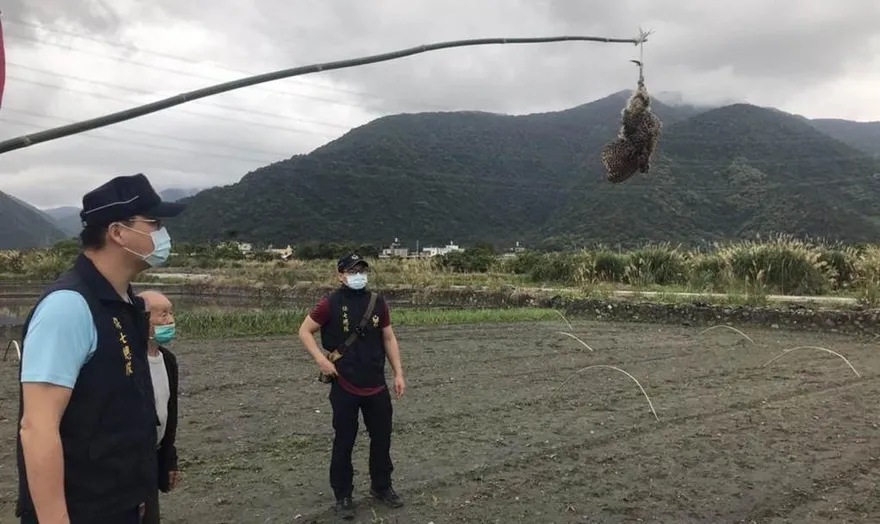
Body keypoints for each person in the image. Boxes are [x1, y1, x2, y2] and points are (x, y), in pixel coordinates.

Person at [15, 173, 186, 524]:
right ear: (118, 233)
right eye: (153, 223)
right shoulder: (69, 306)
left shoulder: (128, 304)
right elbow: (37, 426)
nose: (162, 233)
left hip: (127, 502)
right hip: (85, 510)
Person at [298, 253, 407, 520]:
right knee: (344, 441)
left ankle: (382, 487)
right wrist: (321, 360)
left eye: (362, 270)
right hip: (344, 384)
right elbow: (304, 330)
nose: (358, 274)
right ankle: (343, 495)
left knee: (382, 439)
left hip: (376, 384)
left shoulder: (377, 302)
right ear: (340, 275)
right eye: (352, 270)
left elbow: (389, 337)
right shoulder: (330, 303)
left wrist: (398, 373)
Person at [137, 290, 182, 524]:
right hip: (130, 465)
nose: (170, 320)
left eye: (171, 313)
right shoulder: (129, 363)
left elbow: (168, 416)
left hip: (152, 459)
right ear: (142, 320)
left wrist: (169, 459)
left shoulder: (168, 360)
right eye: (163, 315)